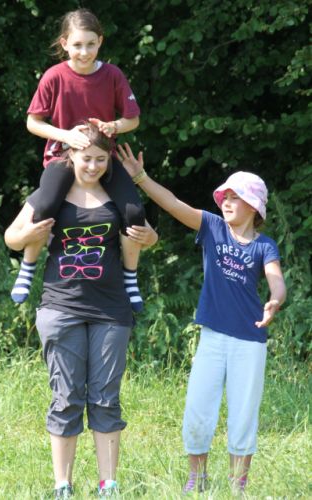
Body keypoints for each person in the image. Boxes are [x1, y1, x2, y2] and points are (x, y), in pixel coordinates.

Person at [117, 144, 286, 495]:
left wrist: (275, 300)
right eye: (225, 196)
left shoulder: (264, 245)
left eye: (236, 197)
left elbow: (276, 279)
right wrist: (140, 177)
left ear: (254, 206)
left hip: (250, 341)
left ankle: (238, 485)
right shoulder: (212, 227)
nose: (227, 202)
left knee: (244, 413)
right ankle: (198, 478)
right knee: (197, 410)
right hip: (212, 337)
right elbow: (173, 203)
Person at [5, 124, 157, 498]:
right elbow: (12, 236)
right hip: (61, 307)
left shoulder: (117, 196)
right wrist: (29, 236)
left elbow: (149, 235)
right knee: (66, 397)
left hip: (111, 309)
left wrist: (149, 238)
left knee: (106, 398)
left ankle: (109, 485)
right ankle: (63, 485)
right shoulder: (51, 194)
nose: (92, 166)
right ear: (71, 155)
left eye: (100, 160)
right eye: (86, 158)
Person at [11, 8, 146, 313]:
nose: (84, 52)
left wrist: (113, 126)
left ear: (100, 42)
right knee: (45, 207)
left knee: (134, 212)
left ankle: (130, 276)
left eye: (90, 44)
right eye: (77, 45)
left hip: (102, 157)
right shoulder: (54, 76)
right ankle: (28, 267)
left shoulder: (112, 75)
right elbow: (33, 122)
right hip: (62, 156)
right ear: (64, 44)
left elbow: (132, 119)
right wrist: (65, 135)